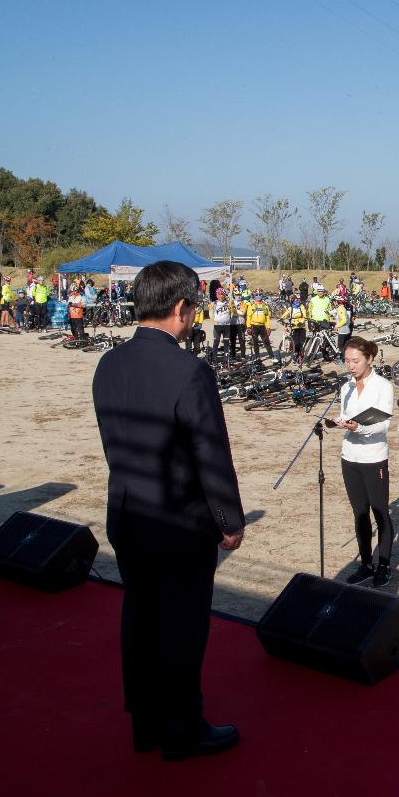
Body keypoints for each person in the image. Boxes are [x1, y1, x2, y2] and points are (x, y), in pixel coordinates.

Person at [92, 261, 244, 760]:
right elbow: (210, 453)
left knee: (139, 619)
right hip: (179, 522)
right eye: (193, 309)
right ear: (180, 308)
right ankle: (183, 730)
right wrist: (229, 520)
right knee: (181, 626)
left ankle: (147, 723)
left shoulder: (108, 364)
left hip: (129, 515)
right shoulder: (190, 370)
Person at [329, 337, 396, 586]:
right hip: (350, 457)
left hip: (374, 457)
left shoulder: (383, 386)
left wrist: (359, 428)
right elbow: (347, 416)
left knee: (380, 512)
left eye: (355, 360)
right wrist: (340, 422)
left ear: (369, 359)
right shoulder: (346, 388)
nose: (351, 366)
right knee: (359, 514)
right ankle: (366, 564)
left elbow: (383, 424)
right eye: (347, 361)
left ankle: (384, 566)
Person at [209, 287, 236, 361]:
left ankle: (226, 359)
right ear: (217, 295)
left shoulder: (228, 303)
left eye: (223, 294)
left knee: (226, 343)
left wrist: (229, 319)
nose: (221, 296)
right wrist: (214, 321)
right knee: (216, 342)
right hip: (217, 326)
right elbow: (210, 314)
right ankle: (214, 358)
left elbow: (232, 311)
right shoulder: (213, 304)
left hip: (226, 326)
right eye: (219, 294)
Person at [247, 294, 274, 360]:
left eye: (259, 294)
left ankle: (271, 356)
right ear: (254, 296)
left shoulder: (265, 305)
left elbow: (267, 317)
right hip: (254, 326)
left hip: (262, 326)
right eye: (257, 295)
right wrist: (248, 327)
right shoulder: (251, 305)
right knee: (255, 342)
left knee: (266, 341)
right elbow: (248, 316)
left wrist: (268, 327)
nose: (258, 296)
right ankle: (257, 356)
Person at [285, 296, 308, 362]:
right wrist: (281, 319)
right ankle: (296, 354)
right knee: (295, 342)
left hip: (301, 327)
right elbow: (285, 314)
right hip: (294, 327)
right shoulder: (290, 309)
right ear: (292, 301)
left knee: (302, 342)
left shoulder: (302, 307)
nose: (297, 302)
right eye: (295, 300)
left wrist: (302, 321)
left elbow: (304, 316)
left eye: (298, 300)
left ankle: (301, 355)